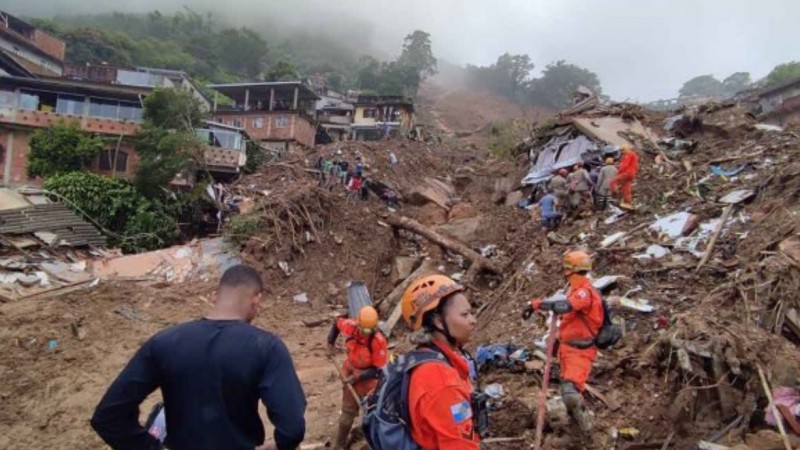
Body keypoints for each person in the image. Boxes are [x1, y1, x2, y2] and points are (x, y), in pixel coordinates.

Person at [91, 265, 306, 450]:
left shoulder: (165, 342)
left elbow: (108, 416)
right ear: (256, 299)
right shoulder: (266, 347)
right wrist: (280, 446)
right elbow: (293, 427)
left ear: (215, 296)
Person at [521, 251, 603, 446]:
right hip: (568, 349)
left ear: (569, 270)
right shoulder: (575, 290)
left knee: (571, 394)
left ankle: (588, 437)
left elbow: (566, 306)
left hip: (579, 351)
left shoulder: (584, 292)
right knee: (568, 392)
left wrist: (536, 305)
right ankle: (575, 434)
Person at [399, 275, 484, 450]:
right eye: (464, 314)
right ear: (438, 321)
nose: (473, 320)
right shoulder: (442, 381)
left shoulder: (425, 357)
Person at [327, 306, 388, 450]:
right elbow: (336, 323)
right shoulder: (351, 327)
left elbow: (380, 370)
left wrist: (360, 376)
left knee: (372, 414)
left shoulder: (378, 342)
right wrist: (330, 344)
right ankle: (339, 445)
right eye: (363, 329)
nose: (365, 333)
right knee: (346, 418)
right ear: (358, 322)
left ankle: (372, 440)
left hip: (370, 378)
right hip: (350, 371)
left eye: (369, 330)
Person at [610, 146, 639, 210]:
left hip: (627, 173)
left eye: (622, 150)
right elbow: (636, 166)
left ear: (625, 149)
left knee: (612, 182)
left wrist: (618, 173)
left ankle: (614, 196)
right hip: (631, 174)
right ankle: (628, 203)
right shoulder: (634, 155)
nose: (621, 152)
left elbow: (624, 166)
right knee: (626, 189)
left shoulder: (628, 154)